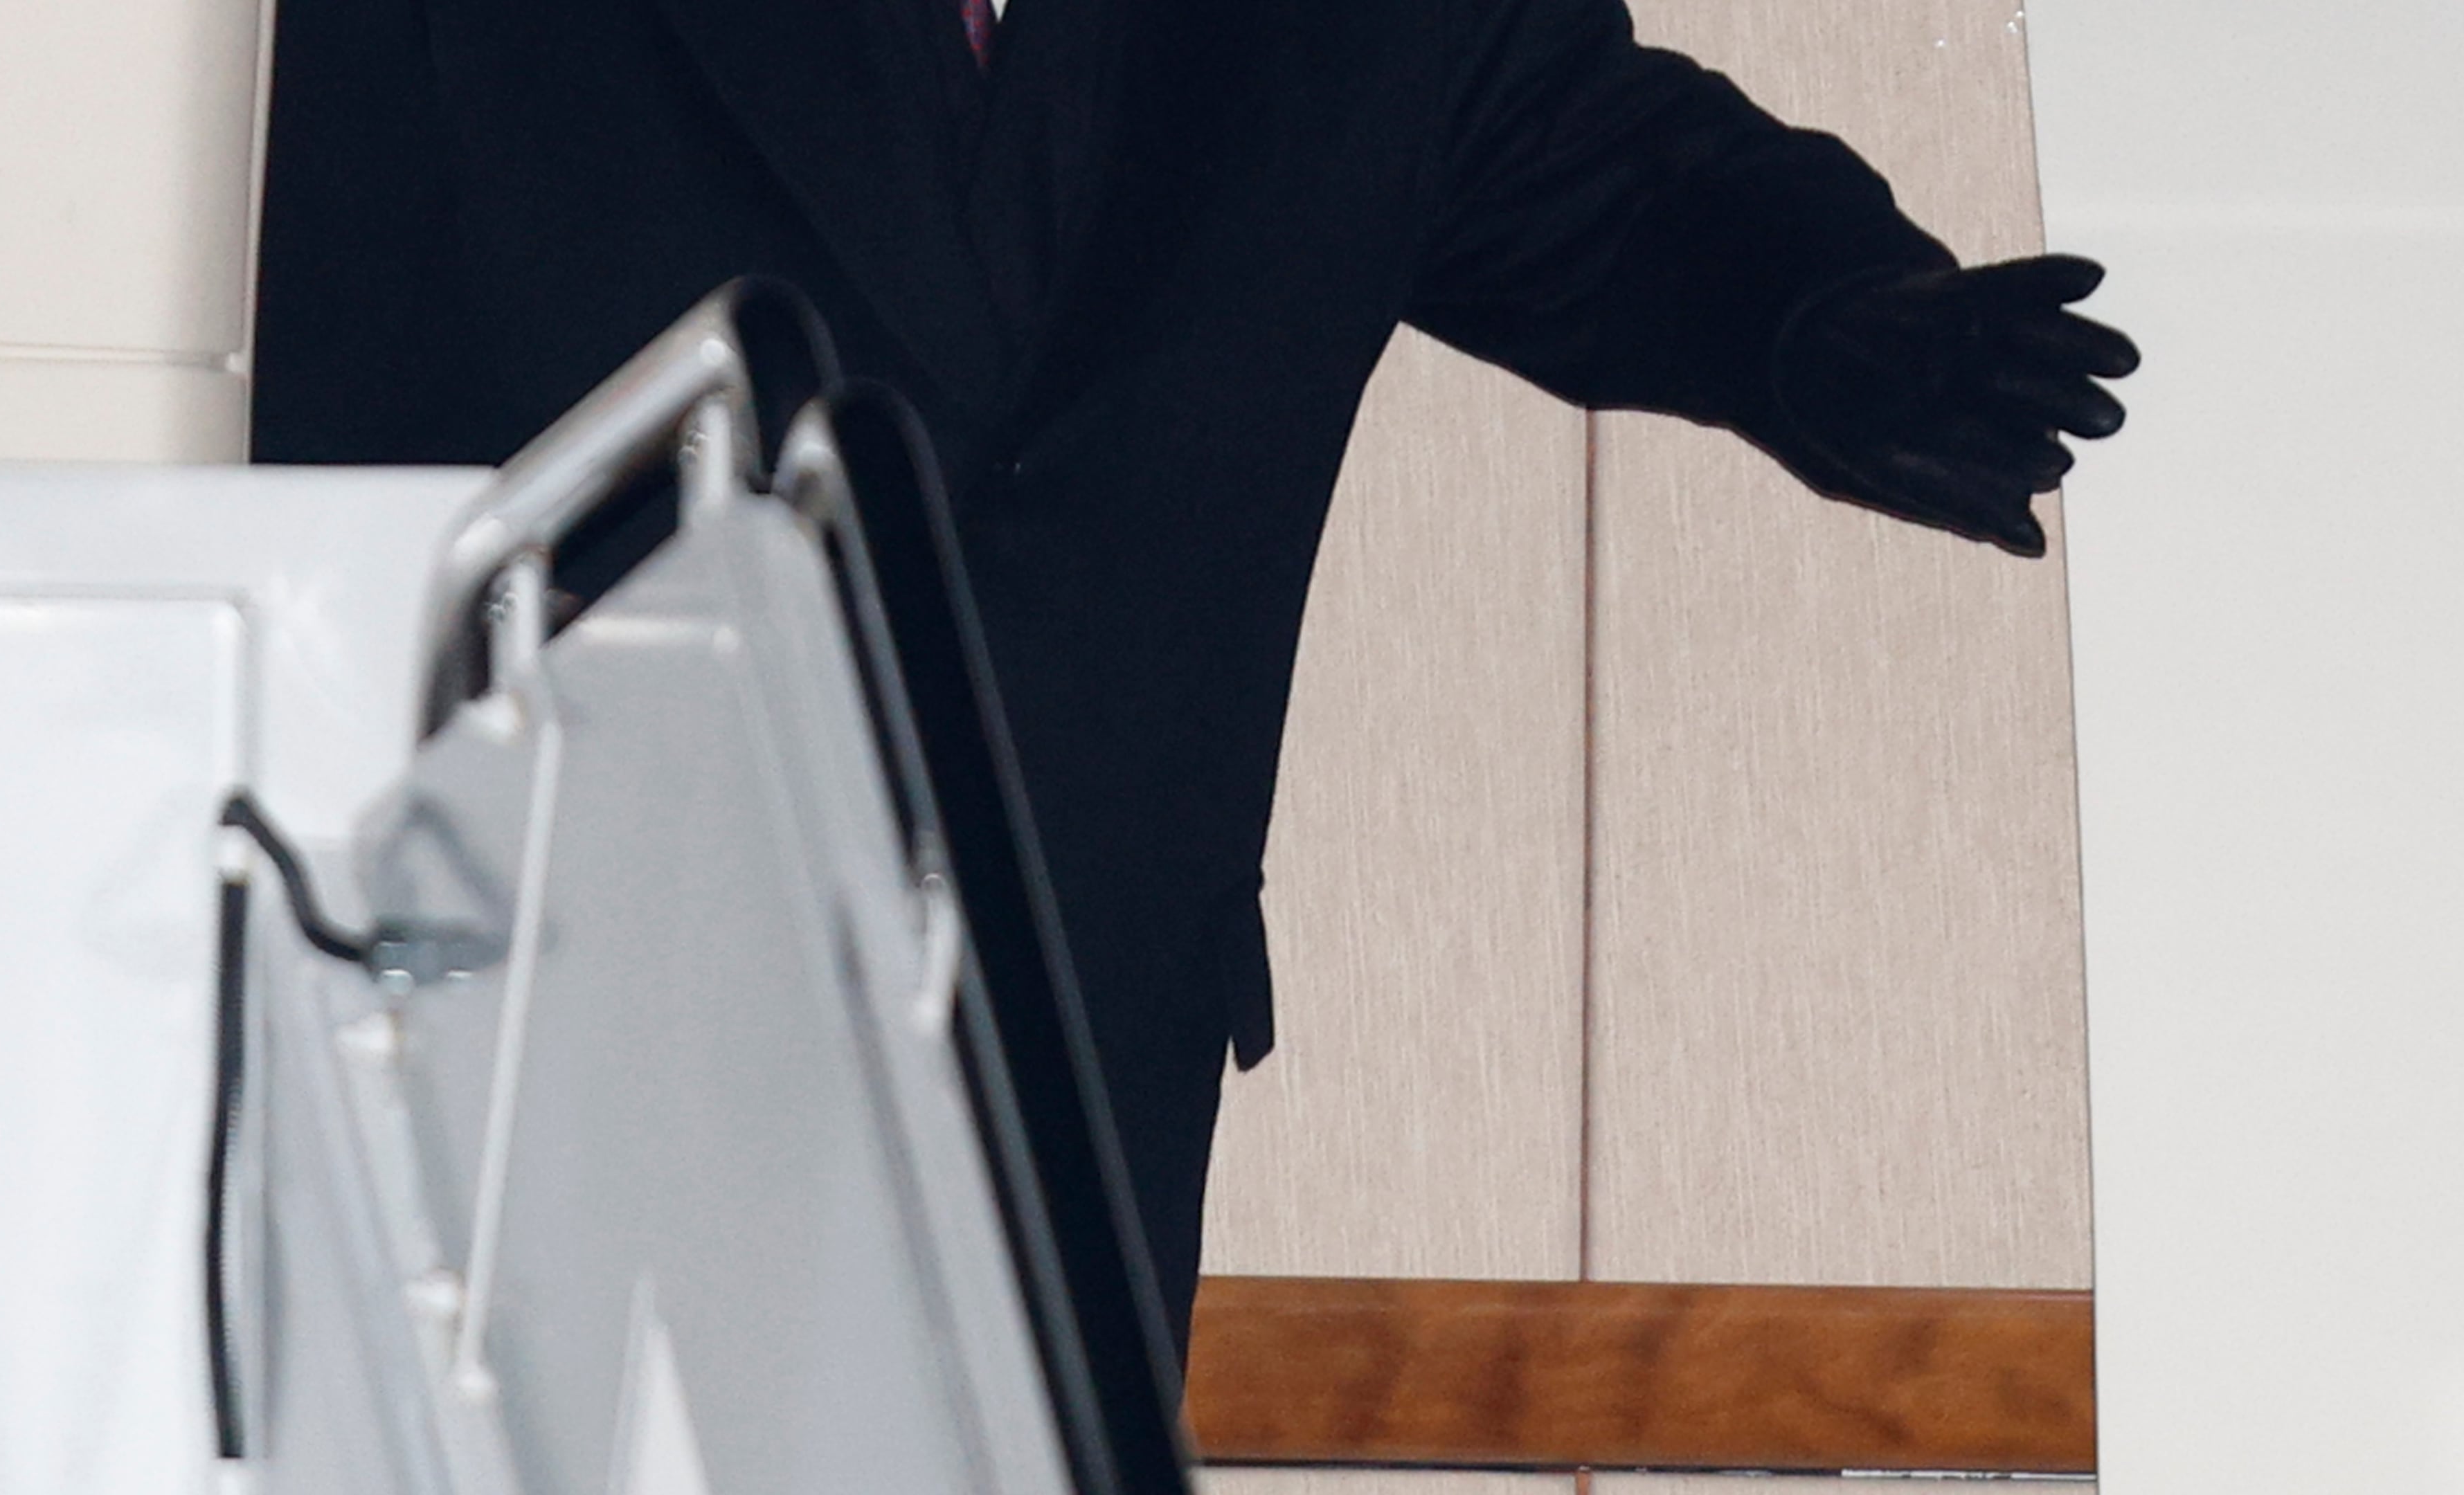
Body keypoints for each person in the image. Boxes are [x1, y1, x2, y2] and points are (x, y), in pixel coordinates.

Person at [251, 0, 2137, 1366]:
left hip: (1074, 1088)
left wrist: (1828, 330)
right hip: (546, 1070)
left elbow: (1628, 185)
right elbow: (326, 433)